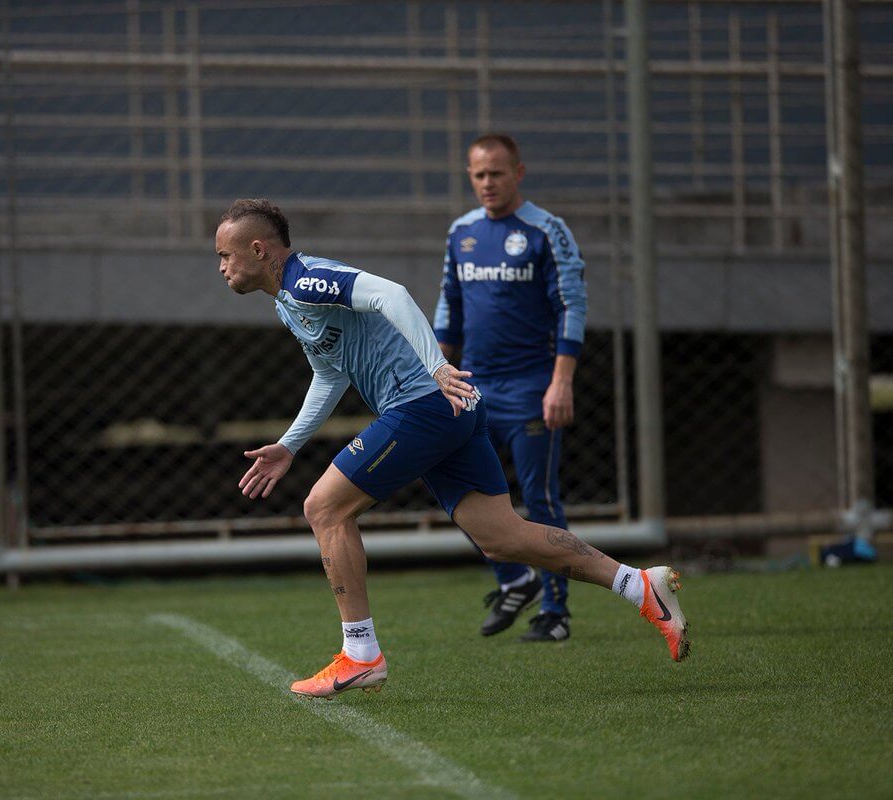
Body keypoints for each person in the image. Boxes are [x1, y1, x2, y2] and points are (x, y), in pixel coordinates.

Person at [216, 198, 688, 699]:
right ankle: (640, 586)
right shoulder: (287, 301)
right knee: (504, 538)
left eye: (225, 255)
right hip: (450, 409)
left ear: (258, 249)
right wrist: (289, 445)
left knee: (324, 508)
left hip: (426, 405)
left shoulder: (304, 279)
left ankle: (361, 655)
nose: (222, 267)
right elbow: (332, 372)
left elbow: (391, 295)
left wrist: (438, 369)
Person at [433, 132, 587, 643]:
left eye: (496, 173)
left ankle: (556, 612)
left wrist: (560, 382)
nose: (487, 183)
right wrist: (434, 376)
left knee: (540, 499)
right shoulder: (461, 233)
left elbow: (571, 307)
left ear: (518, 173)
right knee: (456, 487)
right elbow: (448, 313)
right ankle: (514, 577)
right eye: (478, 175)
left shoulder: (547, 231)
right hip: (473, 386)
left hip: (530, 387)